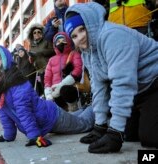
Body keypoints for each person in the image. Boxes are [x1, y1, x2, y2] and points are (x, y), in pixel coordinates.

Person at [64, 2, 158, 153]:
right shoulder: (88, 52)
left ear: (90, 24)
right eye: (74, 36)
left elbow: (123, 84)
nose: (80, 38)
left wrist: (115, 133)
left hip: (154, 82)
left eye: (82, 29)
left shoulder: (113, 36)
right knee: (128, 134)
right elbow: (98, 87)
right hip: (139, 90)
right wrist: (100, 126)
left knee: (150, 137)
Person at [0, 44, 94, 147]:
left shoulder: (16, 82)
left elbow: (24, 111)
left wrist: (34, 136)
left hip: (52, 117)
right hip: (45, 123)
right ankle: (86, 108)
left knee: (85, 124)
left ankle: (98, 107)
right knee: (76, 117)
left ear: (6, 60)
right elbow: (4, 114)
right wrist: (8, 136)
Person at [44, 32, 83, 112]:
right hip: (54, 91)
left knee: (65, 91)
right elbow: (47, 78)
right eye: (58, 41)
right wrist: (48, 93)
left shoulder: (74, 54)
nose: (60, 43)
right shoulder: (51, 60)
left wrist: (62, 84)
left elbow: (78, 69)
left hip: (70, 87)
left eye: (63, 40)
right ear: (55, 44)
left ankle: (74, 111)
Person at [27, 23, 55, 95]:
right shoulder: (31, 46)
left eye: (39, 32)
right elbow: (33, 60)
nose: (37, 34)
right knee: (44, 89)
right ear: (32, 35)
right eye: (34, 32)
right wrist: (31, 59)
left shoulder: (46, 42)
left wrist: (41, 52)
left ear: (41, 33)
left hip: (49, 68)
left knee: (53, 88)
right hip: (40, 71)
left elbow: (53, 51)